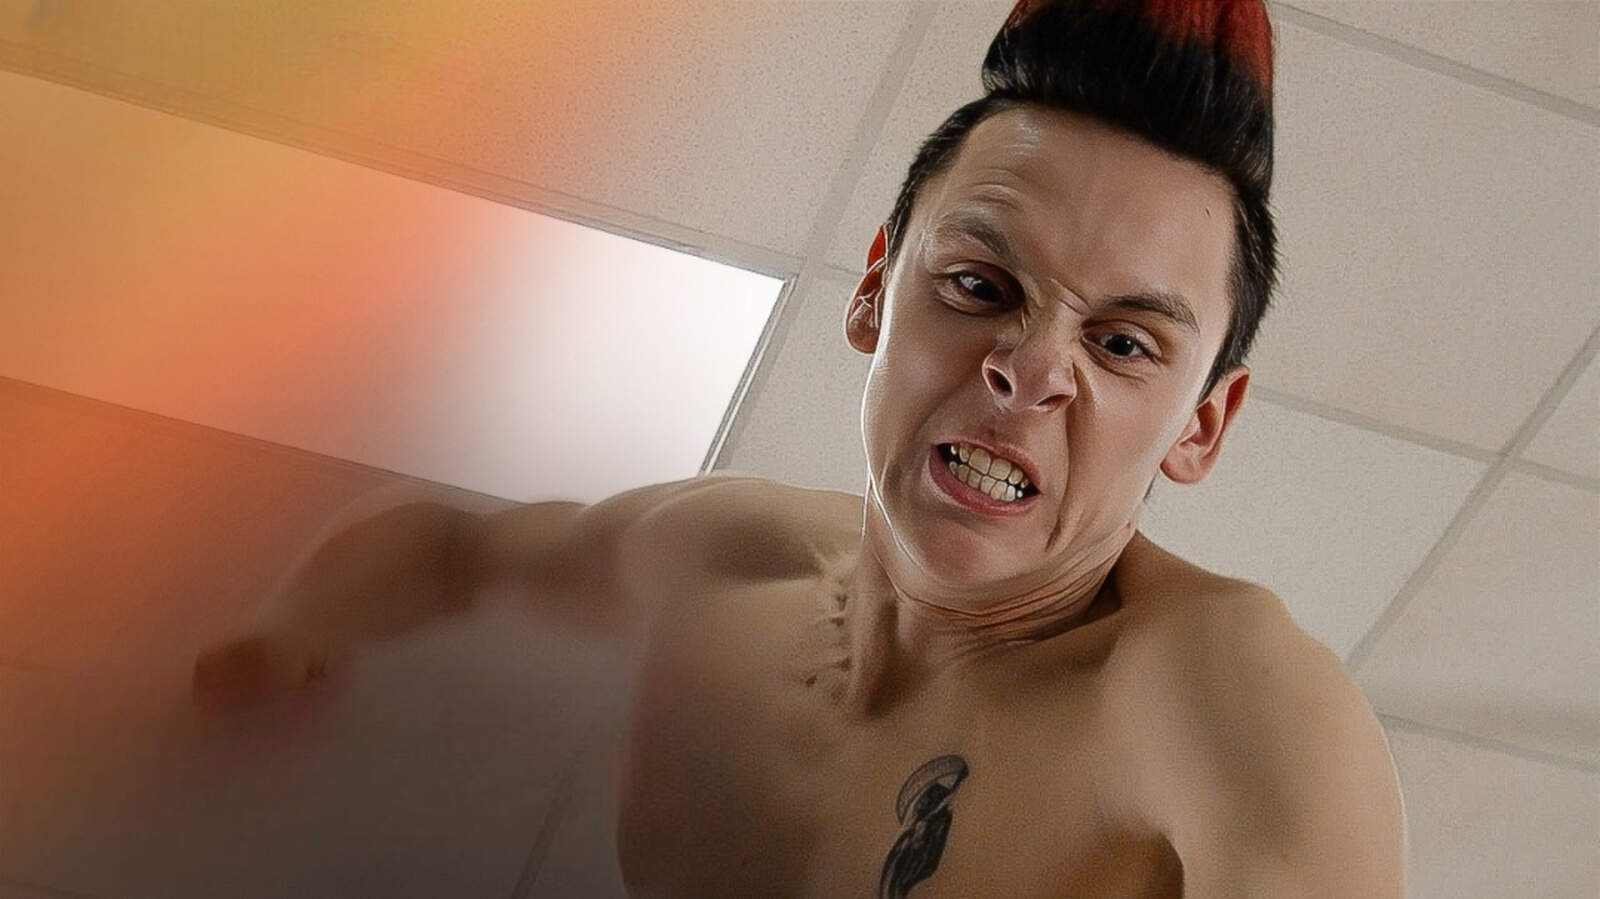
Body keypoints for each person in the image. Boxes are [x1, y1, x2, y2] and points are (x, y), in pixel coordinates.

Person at [194, 0, 1408, 895]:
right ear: (875, 289)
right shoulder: (725, 556)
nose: (1029, 369)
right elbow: (452, 553)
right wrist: (285, 629)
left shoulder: (1221, 694)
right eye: (979, 284)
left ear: (1201, 424)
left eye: (1124, 344)